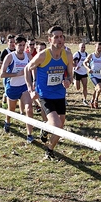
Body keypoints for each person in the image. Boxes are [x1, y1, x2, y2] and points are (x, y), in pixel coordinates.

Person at [24, 26, 73, 160]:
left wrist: (68, 81)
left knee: (60, 126)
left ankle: (49, 149)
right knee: (56, 124)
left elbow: (70, 75)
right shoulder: (43, 55)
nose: (59, 40)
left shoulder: (67, 55)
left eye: (61, 37)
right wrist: (30, 89)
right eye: (56, 37)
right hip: (45, 95)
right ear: (50, 39)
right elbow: (27, 69)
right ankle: (45, 127)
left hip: (60, 94)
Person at [0, 36, 35, 143]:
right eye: (20, 45)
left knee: (29, 108)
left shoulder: (27, 55)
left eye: (24, 45)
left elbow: (33, 67)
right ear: (15, 45)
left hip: (24, 87)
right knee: (11, 110)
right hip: (12, 87)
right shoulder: (10, 57)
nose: (22, 47)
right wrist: (16, 74)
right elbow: (2, 74)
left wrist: (35, 80)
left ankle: (29, 134)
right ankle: (7, 121)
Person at [83, 42, 101, 109]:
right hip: (93, 75)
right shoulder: (91, 55)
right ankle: (96, 100)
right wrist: (88, 69)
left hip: (100, 75)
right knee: (100, 87)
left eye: (100, 48)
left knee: (97, 89)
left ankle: (92, 101)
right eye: (98, 48)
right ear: (95, 47)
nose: (99, 49)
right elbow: (84, 62)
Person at [0, 34, 16, 108]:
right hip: (6, 75)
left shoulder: (17, 51)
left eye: (14, 42)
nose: (12, 44)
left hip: (15, 74)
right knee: (7, 90)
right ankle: (5, 102)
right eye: (11, 42)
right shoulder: (5, 52)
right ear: (7, 42)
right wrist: (0, 67)